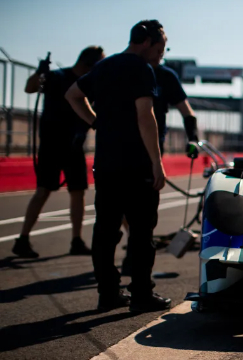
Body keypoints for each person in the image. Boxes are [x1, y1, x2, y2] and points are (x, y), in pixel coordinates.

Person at [65, 20, 172, 312]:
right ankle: (141, 295)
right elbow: (145, 117)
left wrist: (96, 122)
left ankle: (108, 293)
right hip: (136, 164)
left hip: (107, 163)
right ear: (147, 42)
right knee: (141, 232)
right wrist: (156, 163)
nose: (161, 54)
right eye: (161, 47)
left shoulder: (105, 66)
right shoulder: (141, 68)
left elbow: (72, 94)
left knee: (105, 231)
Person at [12, 46, 105, 258]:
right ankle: (23, 239)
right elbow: (30, 88)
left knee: (78, 191)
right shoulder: (57, 77)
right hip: (52, 145)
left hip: (74, 146)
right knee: (43, 190)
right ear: (87, 63)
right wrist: (39, 73)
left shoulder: (90, 83)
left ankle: (76, 240)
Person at [119, 56, 198, 276]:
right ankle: (131, 255)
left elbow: (187, 111)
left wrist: (192, 138)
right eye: (159, 48)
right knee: (121, 206)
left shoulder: (166, 76)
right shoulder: (120, 69)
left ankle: (135, 258)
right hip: (120, 148)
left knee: (143, 208)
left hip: (150, 149)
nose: (160, 54)